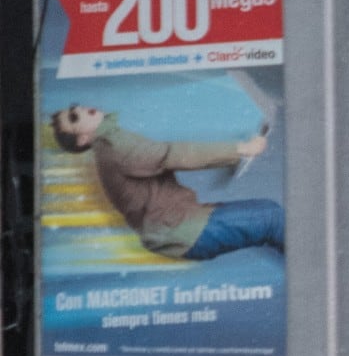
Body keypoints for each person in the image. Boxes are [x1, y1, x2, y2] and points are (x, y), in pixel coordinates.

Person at [47, 103, 282, 259]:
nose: (79, 108)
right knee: (271, 217)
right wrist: (242, 149)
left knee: (268, 220)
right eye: (74, 116)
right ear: (82, 139)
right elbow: (170, 155)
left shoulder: (109, 146)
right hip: (184, 230)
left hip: (183, 226)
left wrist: (235, 155)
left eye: (73, 108)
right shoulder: (115, 148)